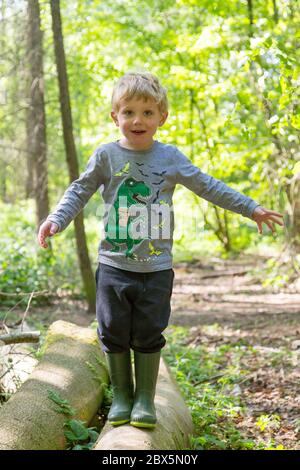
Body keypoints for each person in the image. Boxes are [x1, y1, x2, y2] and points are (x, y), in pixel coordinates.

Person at [38, 72, 284, 429]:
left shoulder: (169, 157)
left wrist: (250, 208)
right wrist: (56, 219)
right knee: (112, 329)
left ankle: (144, 399)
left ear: (161, 117)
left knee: (149, 332)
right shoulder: (106, 155)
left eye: (148, 113)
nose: (138, 120)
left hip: (155, 268)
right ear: (115, 117)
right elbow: (80, 190)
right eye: (129, 112)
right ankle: (122, 395)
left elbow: (208, 186)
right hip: (113, 265)